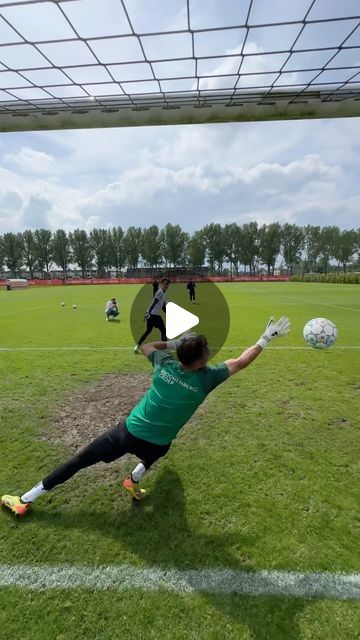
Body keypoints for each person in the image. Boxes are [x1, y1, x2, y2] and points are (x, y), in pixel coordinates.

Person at [1, 316, 290, 516]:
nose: (210, 352)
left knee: (79, 460)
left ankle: (25, 499)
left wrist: (174, 344)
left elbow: (146, 346)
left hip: (127, 433)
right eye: (206, 350)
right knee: (155, 453)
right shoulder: (207, 378)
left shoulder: (165, 365)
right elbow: (241, 361)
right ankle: (134, 478)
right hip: (159, 442)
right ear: (202, 360)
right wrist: (266, 337)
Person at [133, 277, 170, 353]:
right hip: (153, 315)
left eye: (168, 284)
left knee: (148, 331)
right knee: (164, 331)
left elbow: (162, 306)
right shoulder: (160, 292)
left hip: (152, 315)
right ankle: (165, 349)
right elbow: (154, 302)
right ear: (162, 284)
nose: (166, 286)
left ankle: (137, 346)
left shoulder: (164, 293)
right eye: (165, 284)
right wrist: (148, 313)